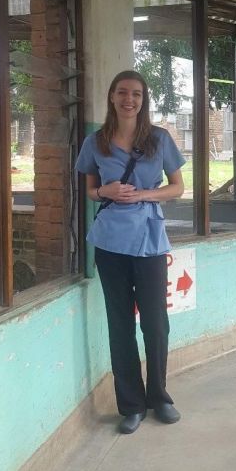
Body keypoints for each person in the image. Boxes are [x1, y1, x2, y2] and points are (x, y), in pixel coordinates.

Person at [76, 70, 186, 435]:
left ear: (144, 100)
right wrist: (105, 192)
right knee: (120, 323)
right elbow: (90, 190)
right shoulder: (96, 142)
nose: (129, 99)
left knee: (155, 322)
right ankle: (131, 405)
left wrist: (142, 195)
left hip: (150, 240)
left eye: (136, 94)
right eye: (123, 92)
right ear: (111, 97)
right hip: (110, 243)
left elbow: (177, 188)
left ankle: (160, 397)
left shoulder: (158, 139)